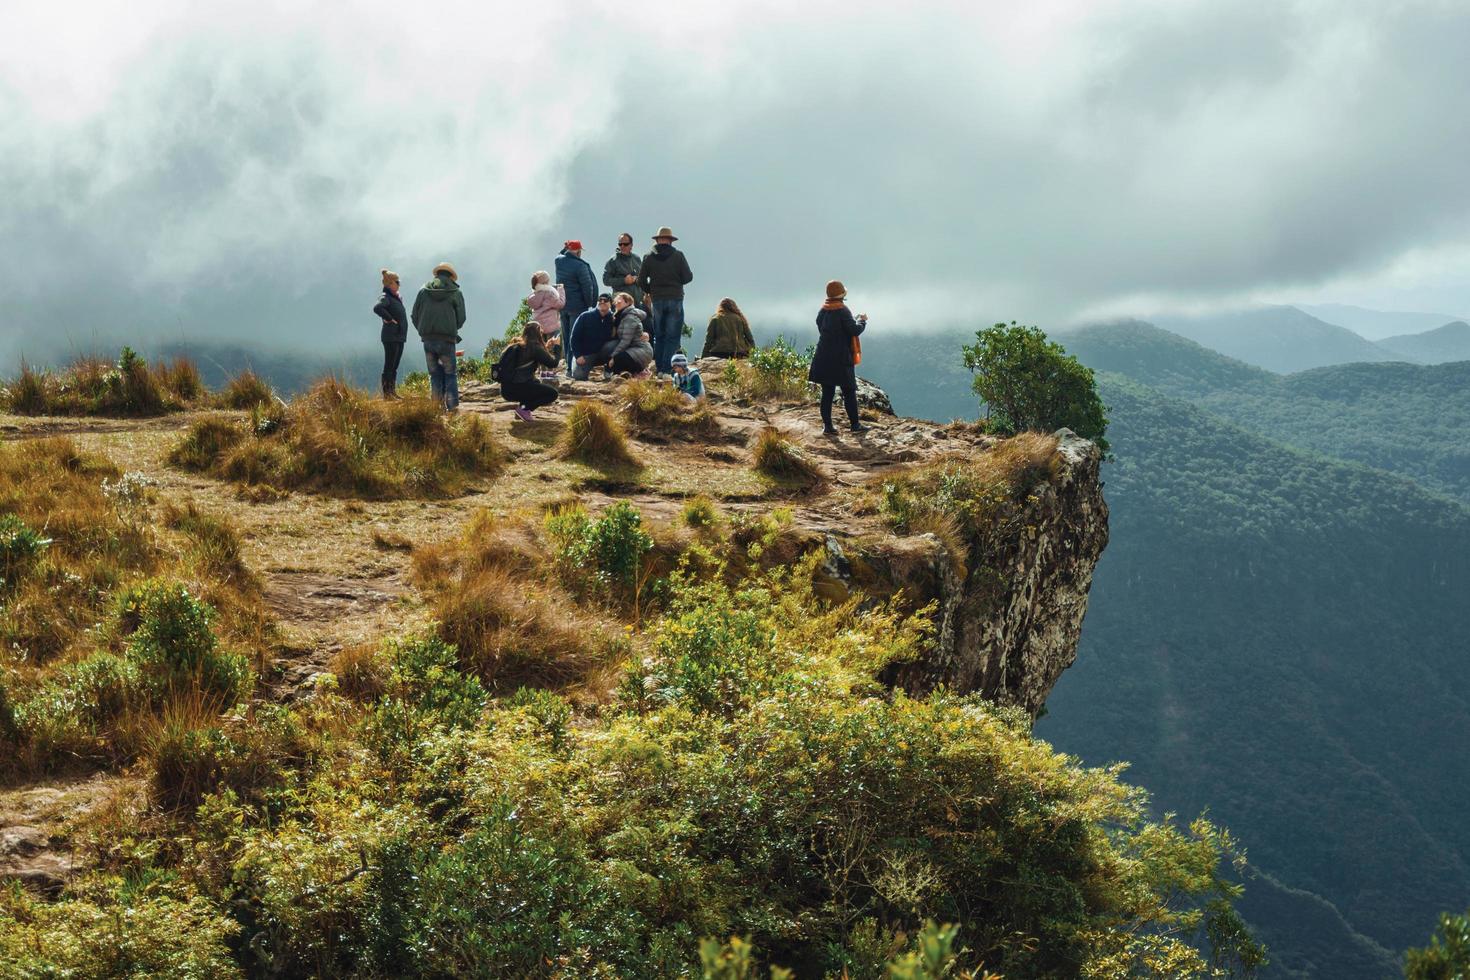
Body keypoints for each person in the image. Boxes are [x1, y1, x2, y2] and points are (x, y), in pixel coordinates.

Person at [808, 279, 868, 434]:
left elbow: (822, 326)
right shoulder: (843, 310)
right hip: (841, 359)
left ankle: (828, 427)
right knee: (848, 391)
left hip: (823, 356)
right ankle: (855, 425)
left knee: (827, 393)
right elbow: (853, 330)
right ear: (842, 294)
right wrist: (862, 321)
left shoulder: (823, 310)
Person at [636, 226, 693, 375]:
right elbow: (688, 277)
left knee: (659, 335)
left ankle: (660, 368)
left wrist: (650, 290)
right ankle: (668, 369)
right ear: (670, 240)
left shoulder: (648, 256)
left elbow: (641, 280)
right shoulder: (678, 256)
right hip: (675, 299)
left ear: (658, 240)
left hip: (658, 300)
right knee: (672, 336)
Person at [411, 261, 466, 411]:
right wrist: (452, 328)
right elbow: (461, 318)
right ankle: (452, 408)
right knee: (450, 374)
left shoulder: (423, 291)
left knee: (434, 374)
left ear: (437, 274)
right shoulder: (456, 292)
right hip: (447, 340)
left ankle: (436, 408)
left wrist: (423, 331)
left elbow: (414, 315)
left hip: (428, 339)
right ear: (451, 276)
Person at [498, 322, 560, 421]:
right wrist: (557, 346)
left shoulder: (516, 345)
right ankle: (523, 409)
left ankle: (521, 411)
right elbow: (553, 363)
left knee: (535, 383)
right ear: (538, 332)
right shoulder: (534, 348)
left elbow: (529, 357)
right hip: (520, 387)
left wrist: (545, 347)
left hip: (506, 390)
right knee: (552, 394)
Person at [554, 240, 598, 375]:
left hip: (563, 305)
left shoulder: (558, 261)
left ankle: (568, 366)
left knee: (567, 337)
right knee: (576, 338)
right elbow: (587, 287)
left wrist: (565, 249)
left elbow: (561, 254)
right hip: (578, 306)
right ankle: (572, 369)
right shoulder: (580, 266)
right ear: (579, 251)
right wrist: (590, 303)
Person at [372, 268, 408, 398]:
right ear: (390, 283)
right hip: (391, 336)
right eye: (397, 282)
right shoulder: (385, 297)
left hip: (398, 336)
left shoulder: (395, 298)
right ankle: (387, 394)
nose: (399, 284)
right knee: (389, 365)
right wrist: (389, 319)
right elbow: (377, 308)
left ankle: (392, 392)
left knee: (394, 365)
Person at [570, 293, 618, 380]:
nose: (602, 302)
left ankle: (608, 369)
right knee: (578, 376)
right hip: (586, 354)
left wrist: (643, 334)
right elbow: (574, 338)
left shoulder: (614, 318)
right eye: (600, 300)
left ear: (611, 303)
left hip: (604, 353)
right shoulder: (585, 316)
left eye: (606, 300)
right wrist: (578, 355)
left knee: (614, 344)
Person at [606, 292, 654, 376]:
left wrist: (612, 357)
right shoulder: (619, 316)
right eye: (615, 301)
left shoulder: (630, 317)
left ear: (628, 303)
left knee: (618, 359)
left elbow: (625, 341)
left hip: (641, 350)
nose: (616, 303)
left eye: (619, 301)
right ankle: (629, 373)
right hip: (632, 349)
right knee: (616, 360)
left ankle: (640, 371)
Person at [602, 233, 644, 307]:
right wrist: (624, 280)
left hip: (638, 303)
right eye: (620, 244)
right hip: (621, 304)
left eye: (625, 244)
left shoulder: (637, 259)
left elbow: (642, 278)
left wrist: (636, 279)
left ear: (631, 245)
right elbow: (606, 280)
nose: (622, 246)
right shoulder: (612, 261)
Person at [526, 271, 566, 342]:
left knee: (543, 349)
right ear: (545, 283)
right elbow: (560, 304)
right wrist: (561, 290)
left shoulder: (533, 297)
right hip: (552, 327)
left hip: (539, 329)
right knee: (554, 348)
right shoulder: (549, 294)